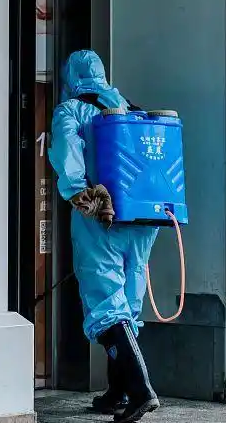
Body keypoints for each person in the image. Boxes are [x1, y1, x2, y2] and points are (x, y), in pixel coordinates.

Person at [48, 50, 160, 423]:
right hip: (142, 219)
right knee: (128, 302)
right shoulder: (127, 108)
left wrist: (83, 197)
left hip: (103, 217)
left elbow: (68, 160)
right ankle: (118, 392)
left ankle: (141, 392)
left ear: (70, 78)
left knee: (105, 303)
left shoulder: (71, 111)